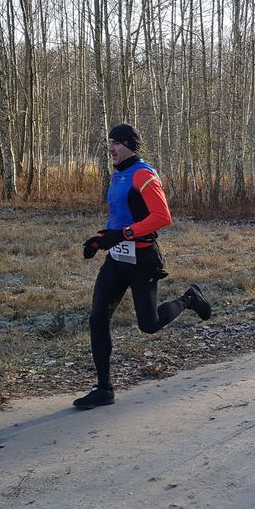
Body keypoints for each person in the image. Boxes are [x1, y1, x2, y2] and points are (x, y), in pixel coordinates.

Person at [75, 123, 212, 410]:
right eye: (109, 143)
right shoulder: (119, 173)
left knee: (149, 325)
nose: (111, 148)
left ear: (129, 146)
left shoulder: (143, 174)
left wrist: (123, 234)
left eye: (116, 143)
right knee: (98, 318)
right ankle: (104, 389)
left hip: (142, 259)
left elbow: (162, 217)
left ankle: (189, 299)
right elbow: (122, 216)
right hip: (118, 258)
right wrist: (102, 239)